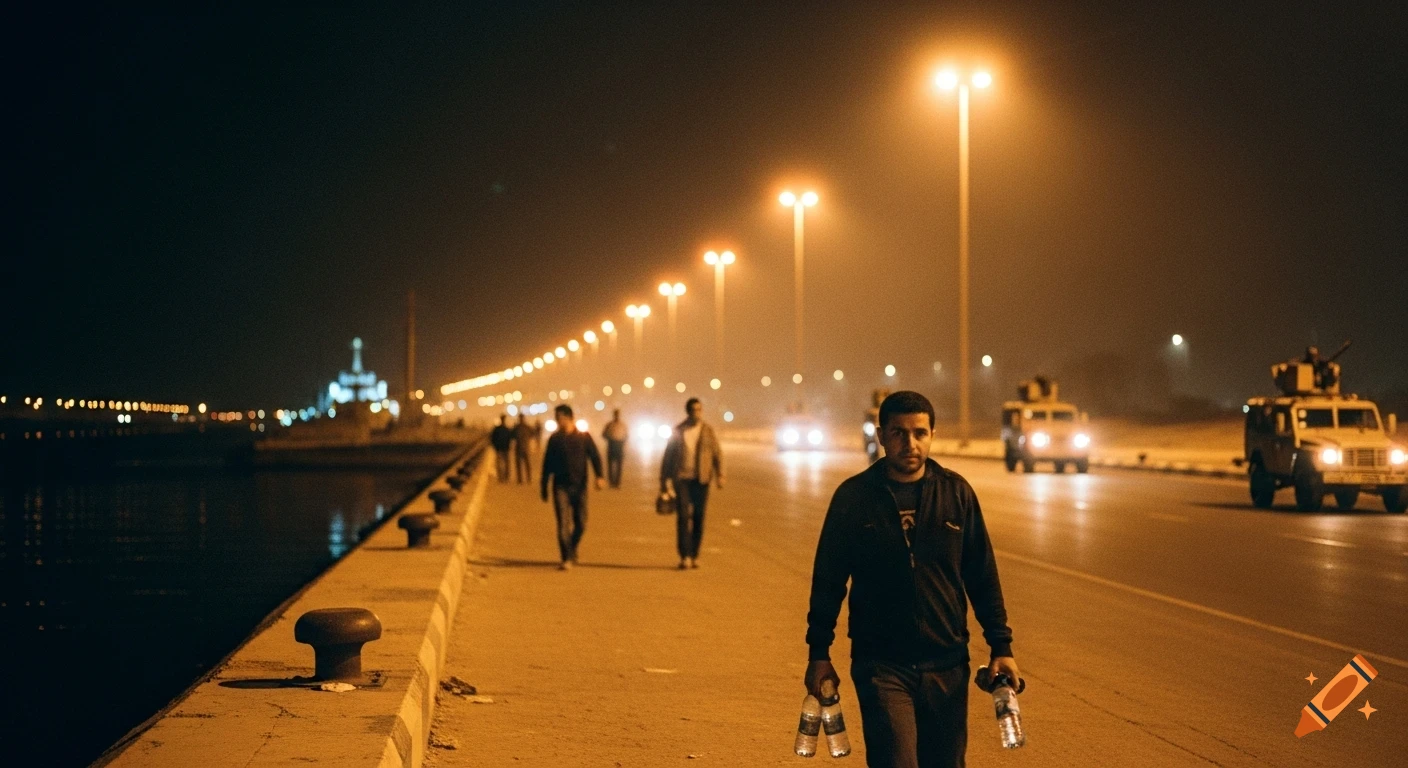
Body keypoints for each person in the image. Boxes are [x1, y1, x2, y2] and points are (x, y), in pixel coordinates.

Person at [804, 391, 1020, 767]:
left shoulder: (956, 493)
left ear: (932, 434)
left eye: (920, 433)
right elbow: (828, 580)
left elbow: (981, 574)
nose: (910, 444)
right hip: (882, 665)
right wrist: (819, 654)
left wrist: (1001, 646)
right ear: (882, 435)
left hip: (947, 664)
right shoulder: (854, 498)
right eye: (899, 433)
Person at [659, 398, 724, 570]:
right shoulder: (678, 431)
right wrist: (663, 480)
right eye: (694, 410)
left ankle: (694, 554)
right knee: (682, 517)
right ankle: (684, 555)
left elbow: (717, 453)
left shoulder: (707, 431)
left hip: (701, 480)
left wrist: (720, 475)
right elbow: (668, 456)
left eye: (699, 409)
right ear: (688, 412)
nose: (697, 413)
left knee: (698, 517)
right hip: (682, 479)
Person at [539, 404, 604, 570]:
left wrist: (599, 476)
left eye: (559, 418)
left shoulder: (583, 437)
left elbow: (595, 456)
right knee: (562, 525)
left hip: (580, 486)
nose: (558, 421)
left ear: (568, 418)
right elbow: (547, 464)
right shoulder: (555, 439)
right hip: (560, 487)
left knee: (581, 523)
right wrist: (544, 486)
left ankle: (572, 547)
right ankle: (566, 557)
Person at [602, 409, 630, 488]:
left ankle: (617, 482)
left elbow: (626, 436)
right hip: (612, 445)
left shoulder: (622, 425)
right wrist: (610, 438)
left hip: (619, 446)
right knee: (610, 465)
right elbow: (604, 434)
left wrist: (621, 441)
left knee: (619, 465)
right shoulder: (609, 425)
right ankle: (611, 482)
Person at [512, 413, 536, 484]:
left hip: (520, 448)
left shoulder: (517, 427)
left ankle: (521, 479)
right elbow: (533, 434)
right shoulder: (527, 427)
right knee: (526, 465)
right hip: (525, 448)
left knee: (520, 465)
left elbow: (512, 436)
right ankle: (527, 479)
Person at [489, 414, 513, 482]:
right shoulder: (507, 429)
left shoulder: (497, 429)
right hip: (505, 448)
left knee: (499, 463)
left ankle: (500, 477)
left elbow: (492, 438)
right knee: (506, 463)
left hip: (499, 448)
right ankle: (506, 477)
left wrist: (495, 446)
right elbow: (510, 439)